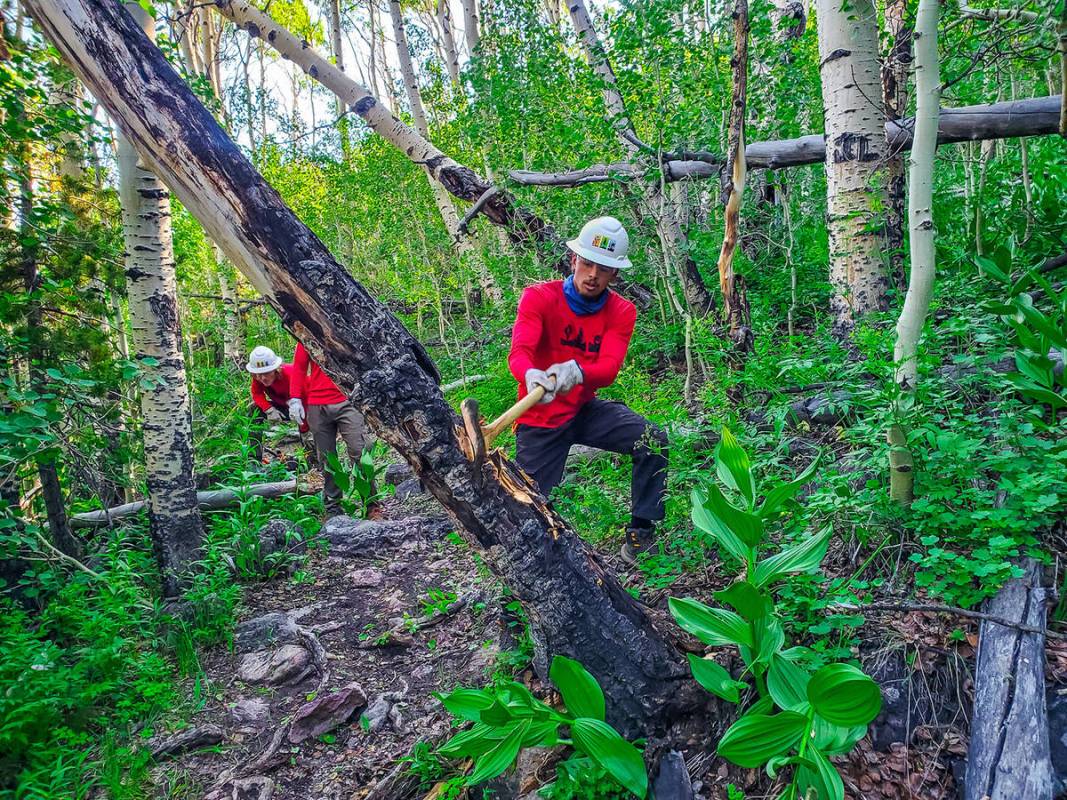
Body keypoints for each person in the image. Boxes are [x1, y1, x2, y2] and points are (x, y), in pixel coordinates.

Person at [508, 216, 668, 564]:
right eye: (588, 263)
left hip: (583, 409)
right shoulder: (539, 297)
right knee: (529, 506)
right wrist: (531, 374)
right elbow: (519, 353)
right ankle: (521, 587)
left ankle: (641, 536)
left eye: (604, 268)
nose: (593, 274)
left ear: (615, 275)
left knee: (652, 440)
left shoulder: (622, 311)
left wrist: (577, 371)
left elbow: (608, 369)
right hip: (539, 419)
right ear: (573, 261)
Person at [287, 342, 375, 514]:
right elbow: (299, 368)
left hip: (348, 398)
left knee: (361, 450)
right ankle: (333, 508)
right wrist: (295, 398)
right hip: (317, 404)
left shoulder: (345, 326)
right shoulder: (305, 332)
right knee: (326, 458)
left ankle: (371, 505)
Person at [246, 345, 307, 461]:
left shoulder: (290, 373)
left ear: (276, 370)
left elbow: (307, 398)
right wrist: (268, 409)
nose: (263, 378)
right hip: (282, 407)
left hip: (305, 408)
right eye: (259, 374)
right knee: (253, 408)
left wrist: (304, 427)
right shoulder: (258, 378)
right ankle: (254, 458)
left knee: (310, 435)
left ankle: (312, 460)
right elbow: (256, 393)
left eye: (267, 373)